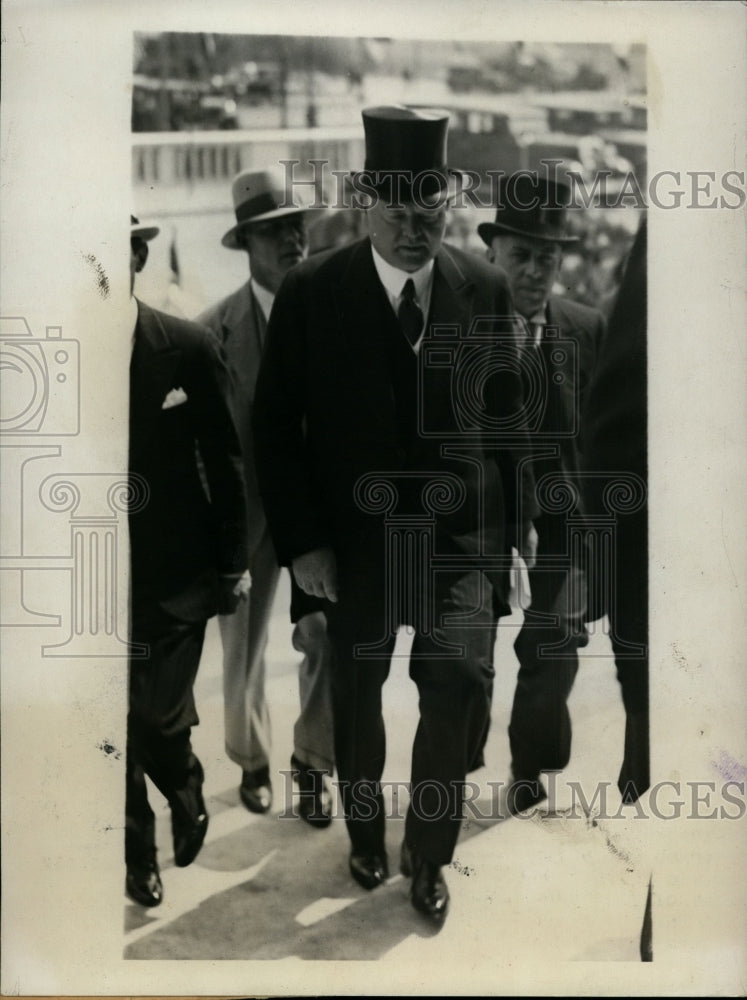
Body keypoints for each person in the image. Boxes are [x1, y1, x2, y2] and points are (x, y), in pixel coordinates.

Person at [252, 107, 538, 924]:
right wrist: (304, 546)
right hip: (352, 547)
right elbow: (275, 429)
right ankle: (366, 832)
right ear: (364, 203)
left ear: (449, 204)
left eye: (433, 213)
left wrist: (515, 534)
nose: (417, 232)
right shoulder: (312, 292)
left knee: (455, 681)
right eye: (400, 214)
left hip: (457, 543)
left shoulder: (481, 288)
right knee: (357, 693)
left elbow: (506, 415)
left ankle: (429, 855)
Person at [198, 171, 335, 826]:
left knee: (328, 636)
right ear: (246, 242)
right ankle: (250, 757)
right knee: (242, 646)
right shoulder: (213, 333)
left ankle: (313, 762)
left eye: (297, 226)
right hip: (248, 515)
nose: (292, 240)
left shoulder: (337, 313)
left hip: (316, 515)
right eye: (276, 230)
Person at [126, 216, 249, 907]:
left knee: (153, 717)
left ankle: (183, 782)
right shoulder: (52, 352)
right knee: (105, 722)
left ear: (140, 255)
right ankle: (136, 856)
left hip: (176, 574)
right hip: (87, 577)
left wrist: (233, 563)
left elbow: (226, 462)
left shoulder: (190, 347)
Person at [478, 175, 605, 813]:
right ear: (493, 252)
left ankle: (528, 763)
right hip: (480, 524)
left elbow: (606, 442)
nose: (533, 271)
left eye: (547, 259)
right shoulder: (460, 327)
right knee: (465, 660)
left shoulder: (587, 329)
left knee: (555, 650)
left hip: (564, 528)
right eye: (521, 255)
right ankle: (459, 753)